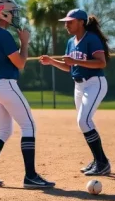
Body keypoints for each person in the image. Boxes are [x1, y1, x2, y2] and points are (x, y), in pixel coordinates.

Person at [0, 0, 54, 189]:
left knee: (4, 130)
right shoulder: (2, 34)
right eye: (12, 12)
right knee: (29, 126)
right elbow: (20, 63)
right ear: (2, 13)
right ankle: (30, 176)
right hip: (4, 84)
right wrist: (24, 43)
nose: (14, 15)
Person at [40, 9, 111, 176]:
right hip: (78, 86)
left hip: (95, 83)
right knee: (84, 122)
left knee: (83, 121)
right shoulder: (71, 42)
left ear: (81, 22)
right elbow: (69, 67)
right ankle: (98, 160)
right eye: (65, 21)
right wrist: (52, 62)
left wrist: (75, 61)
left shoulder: (91, 39)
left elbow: (101, 63)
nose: (66, 24)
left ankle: (102, 162)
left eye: (70, 21)